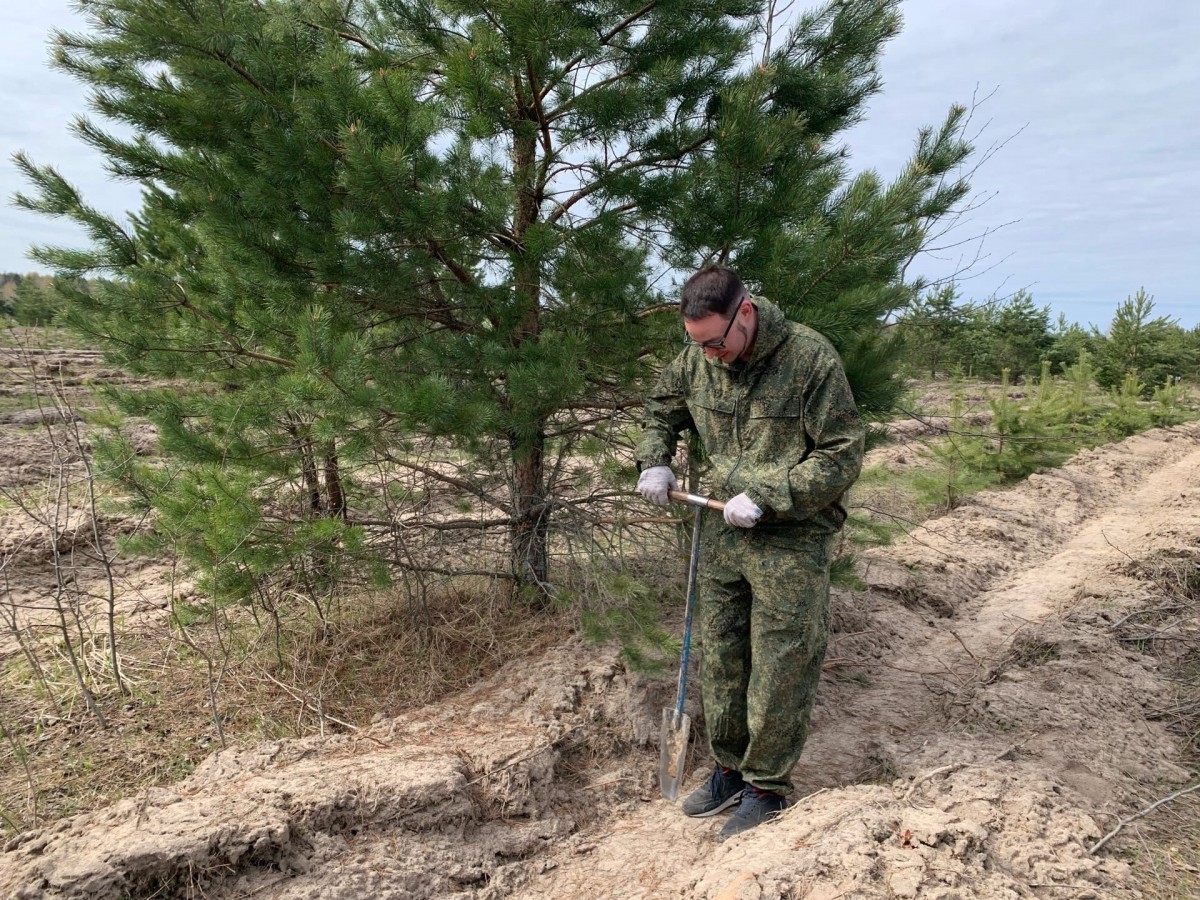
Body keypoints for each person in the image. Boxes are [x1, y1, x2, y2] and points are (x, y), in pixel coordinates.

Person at [635, 264, 865, 841]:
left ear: (745, 313)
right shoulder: (698, 356)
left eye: (716, 342)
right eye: (697, 344)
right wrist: (654, 457)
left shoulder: (809, 358)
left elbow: (841, 453)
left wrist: (768, 495)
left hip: (790, 535)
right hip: (720, 531)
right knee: (722, 655)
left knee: (782, 662)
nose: (709, 355)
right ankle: (730, 770)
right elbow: (661, 408)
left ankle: (767, 787)